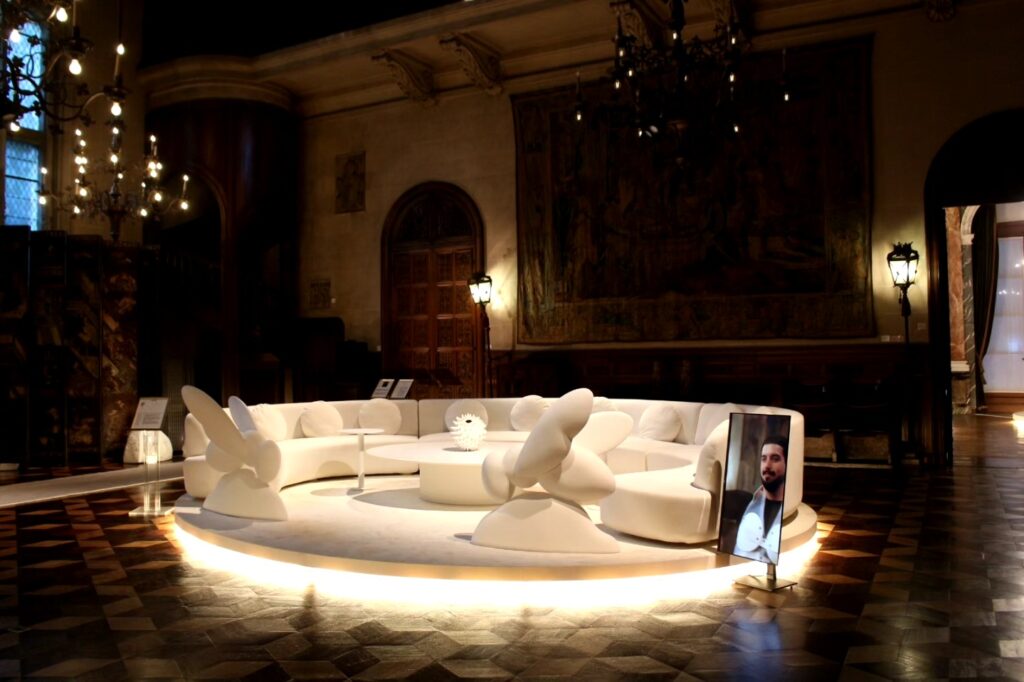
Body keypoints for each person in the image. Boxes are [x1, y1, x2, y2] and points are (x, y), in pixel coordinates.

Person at [734, 436, 787, 564]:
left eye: (775, 459)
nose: (767, 465)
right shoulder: (747, 505)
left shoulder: (789, 509)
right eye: (764, 459)